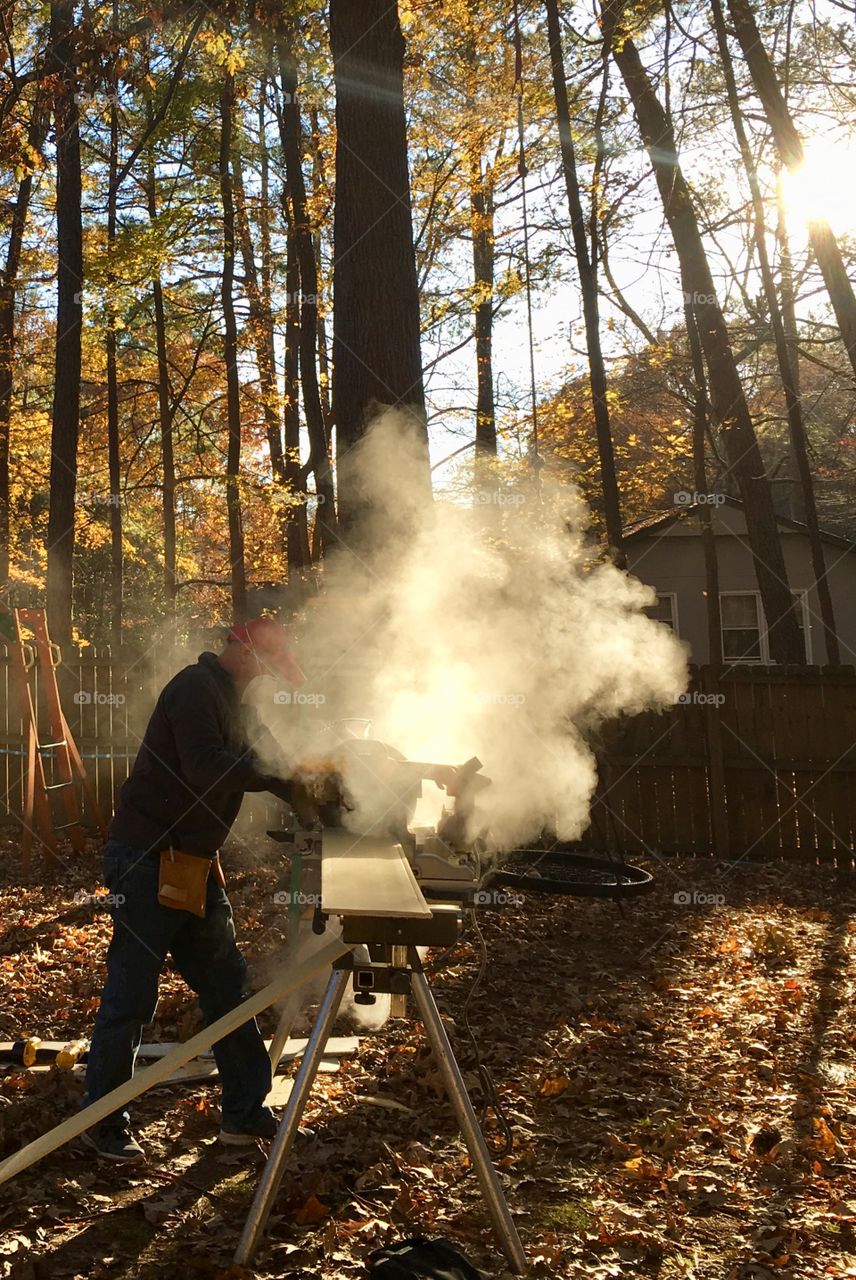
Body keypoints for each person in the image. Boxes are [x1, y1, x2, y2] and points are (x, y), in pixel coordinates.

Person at [81, 618, 306, 1162]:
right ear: (242, 651)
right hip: (145, 860)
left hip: (192, 865)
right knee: (132, 996)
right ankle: (102, 1122)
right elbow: (206, 765)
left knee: (228, 988)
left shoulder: (242, 704)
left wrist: (313, 784)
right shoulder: (193, 688)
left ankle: (244, 1114)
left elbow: (277, 765)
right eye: (263, 666)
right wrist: (280, 777)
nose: (264, 679)